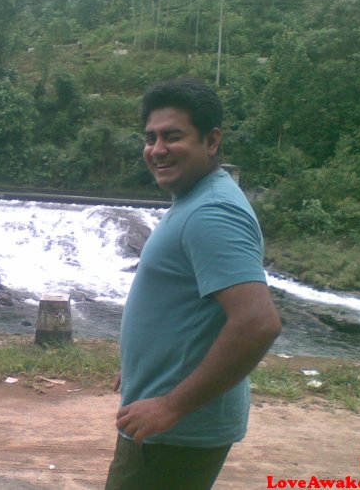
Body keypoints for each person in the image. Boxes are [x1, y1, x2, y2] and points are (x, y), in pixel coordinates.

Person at [106, 77, 282, 490]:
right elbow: (195, 308)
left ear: (211, 140)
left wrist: (172, 404)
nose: (157, 149)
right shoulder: (195, 199)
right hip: (168, 421)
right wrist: (142, 364)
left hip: (175, 434)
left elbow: (258, 323)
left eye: (173, 136)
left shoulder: (213, 212)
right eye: (150, 137)